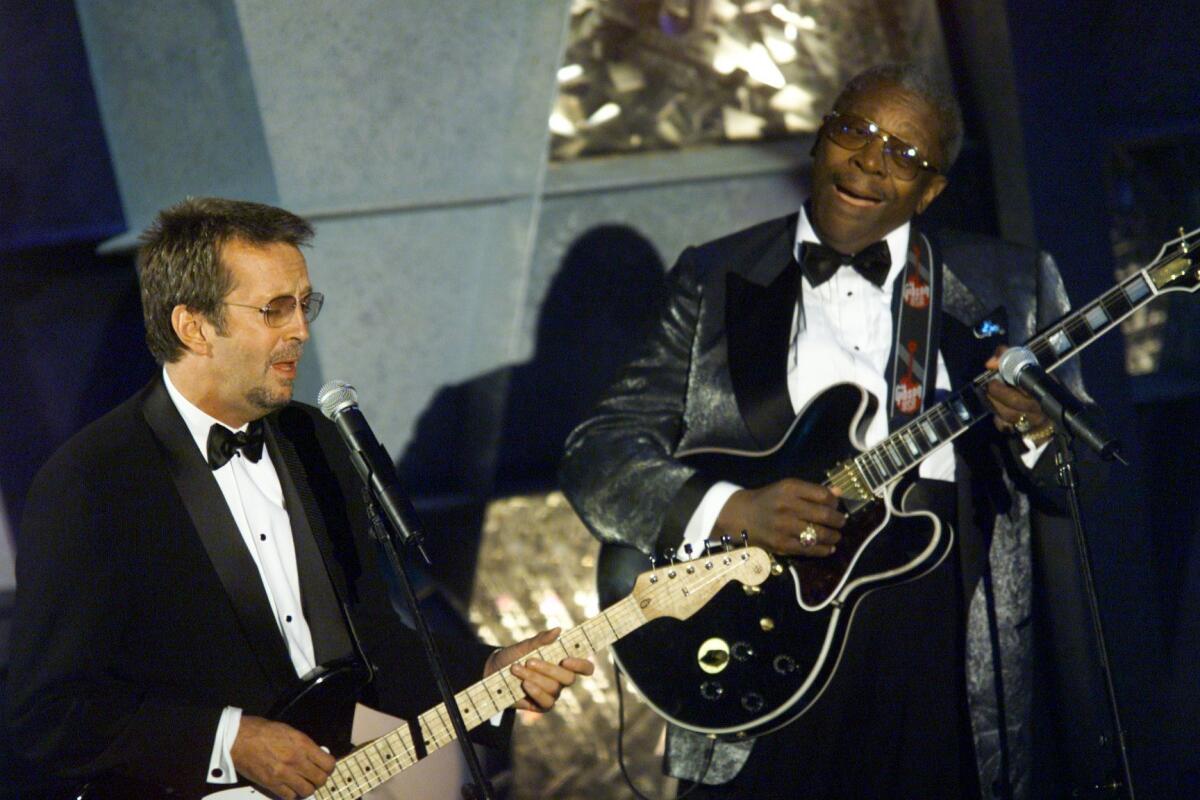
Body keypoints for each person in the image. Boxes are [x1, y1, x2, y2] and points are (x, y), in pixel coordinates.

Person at [561, 63, 1083, 798]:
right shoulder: (714, 277)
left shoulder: (1013, 282)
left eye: (903, 154)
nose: (870, 160)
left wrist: (1035, 428)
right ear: (820, 136)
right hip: (758, 645)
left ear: (932, 190)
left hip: (944, 650)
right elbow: (598, 454)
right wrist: (730, 508)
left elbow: (1080, 486)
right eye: (855, 131)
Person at [3, 197, 593, 799]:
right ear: (193, 327)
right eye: (273, 309)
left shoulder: (318, 442)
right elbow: (49, 710)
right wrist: (232, 740)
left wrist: (489, 672)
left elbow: (376, 649)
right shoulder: (92, 481)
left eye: (304, 304)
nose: (301, 330)